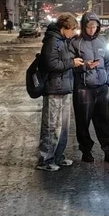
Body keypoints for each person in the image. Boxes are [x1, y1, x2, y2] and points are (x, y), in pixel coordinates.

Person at [37, 13, 84, 171]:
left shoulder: (63, 40)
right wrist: (72, 63)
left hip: (64, 87)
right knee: (51, 125)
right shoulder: (52, 41)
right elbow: (51, 64)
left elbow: (63, 61)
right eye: (73, 29)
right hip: (54, 88)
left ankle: (58, 156)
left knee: (63, 126)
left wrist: (77, 63)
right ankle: (45, 159)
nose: (74, 32)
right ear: (64, 28)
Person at [72, 12, 109, 163]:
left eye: (94, 27)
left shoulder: (103, 41)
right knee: (83, 122)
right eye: (89, 27)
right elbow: (70, 65)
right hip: (83, 88)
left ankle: (108, 150)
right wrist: (85, 66)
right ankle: (86, 151)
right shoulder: (76, 43)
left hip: (101, 88)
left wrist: (108, 80)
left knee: (104, 121)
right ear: (83, 27)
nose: (92, 30)